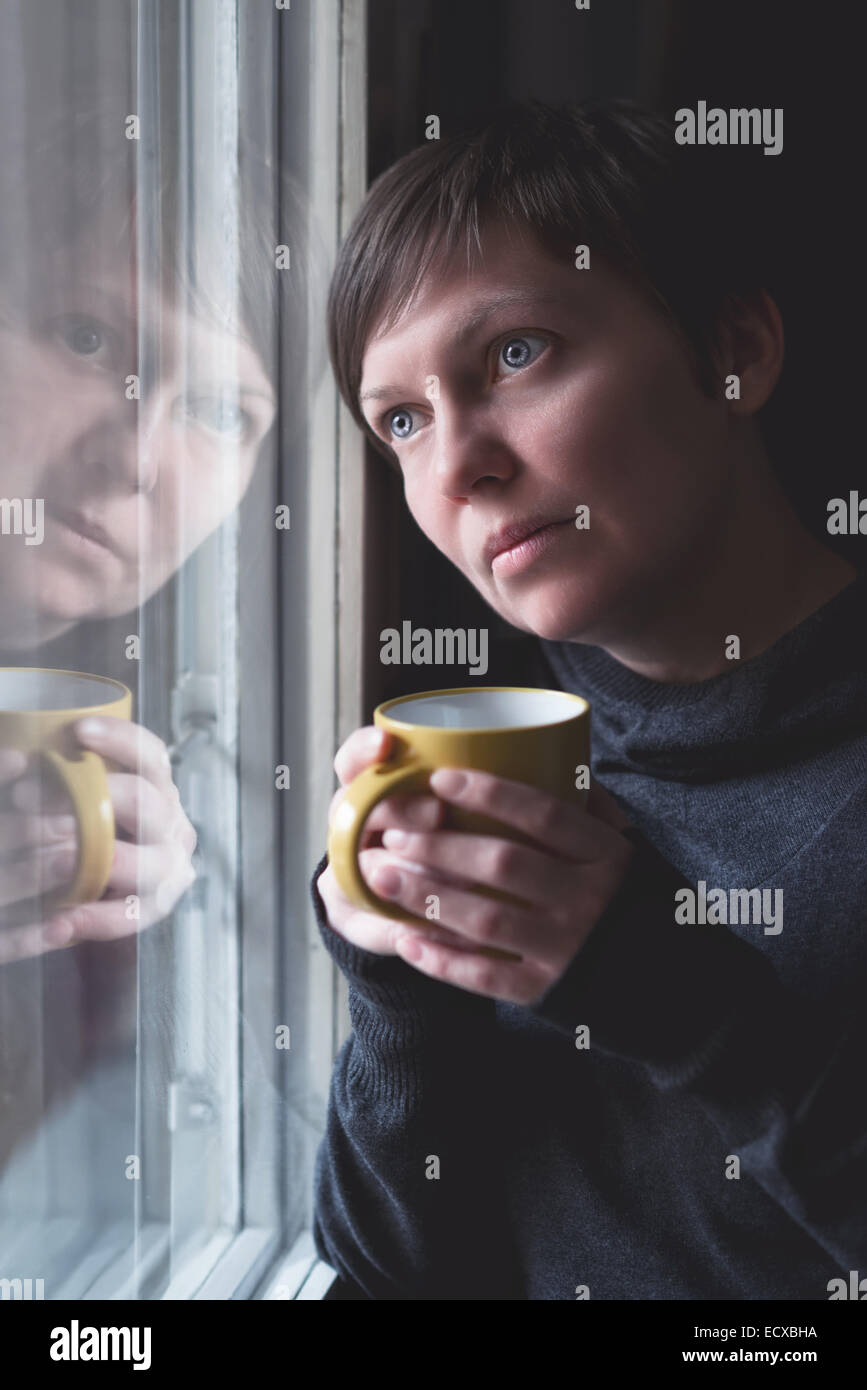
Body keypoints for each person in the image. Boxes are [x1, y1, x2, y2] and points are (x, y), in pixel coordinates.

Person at [310, 100, 866, 1300]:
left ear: (739, 352)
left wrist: (677, 996)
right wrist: (400, 983)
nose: (457, 463)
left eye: (515, 354)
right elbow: (391, 1282)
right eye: (400, 419)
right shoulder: (515, 785)